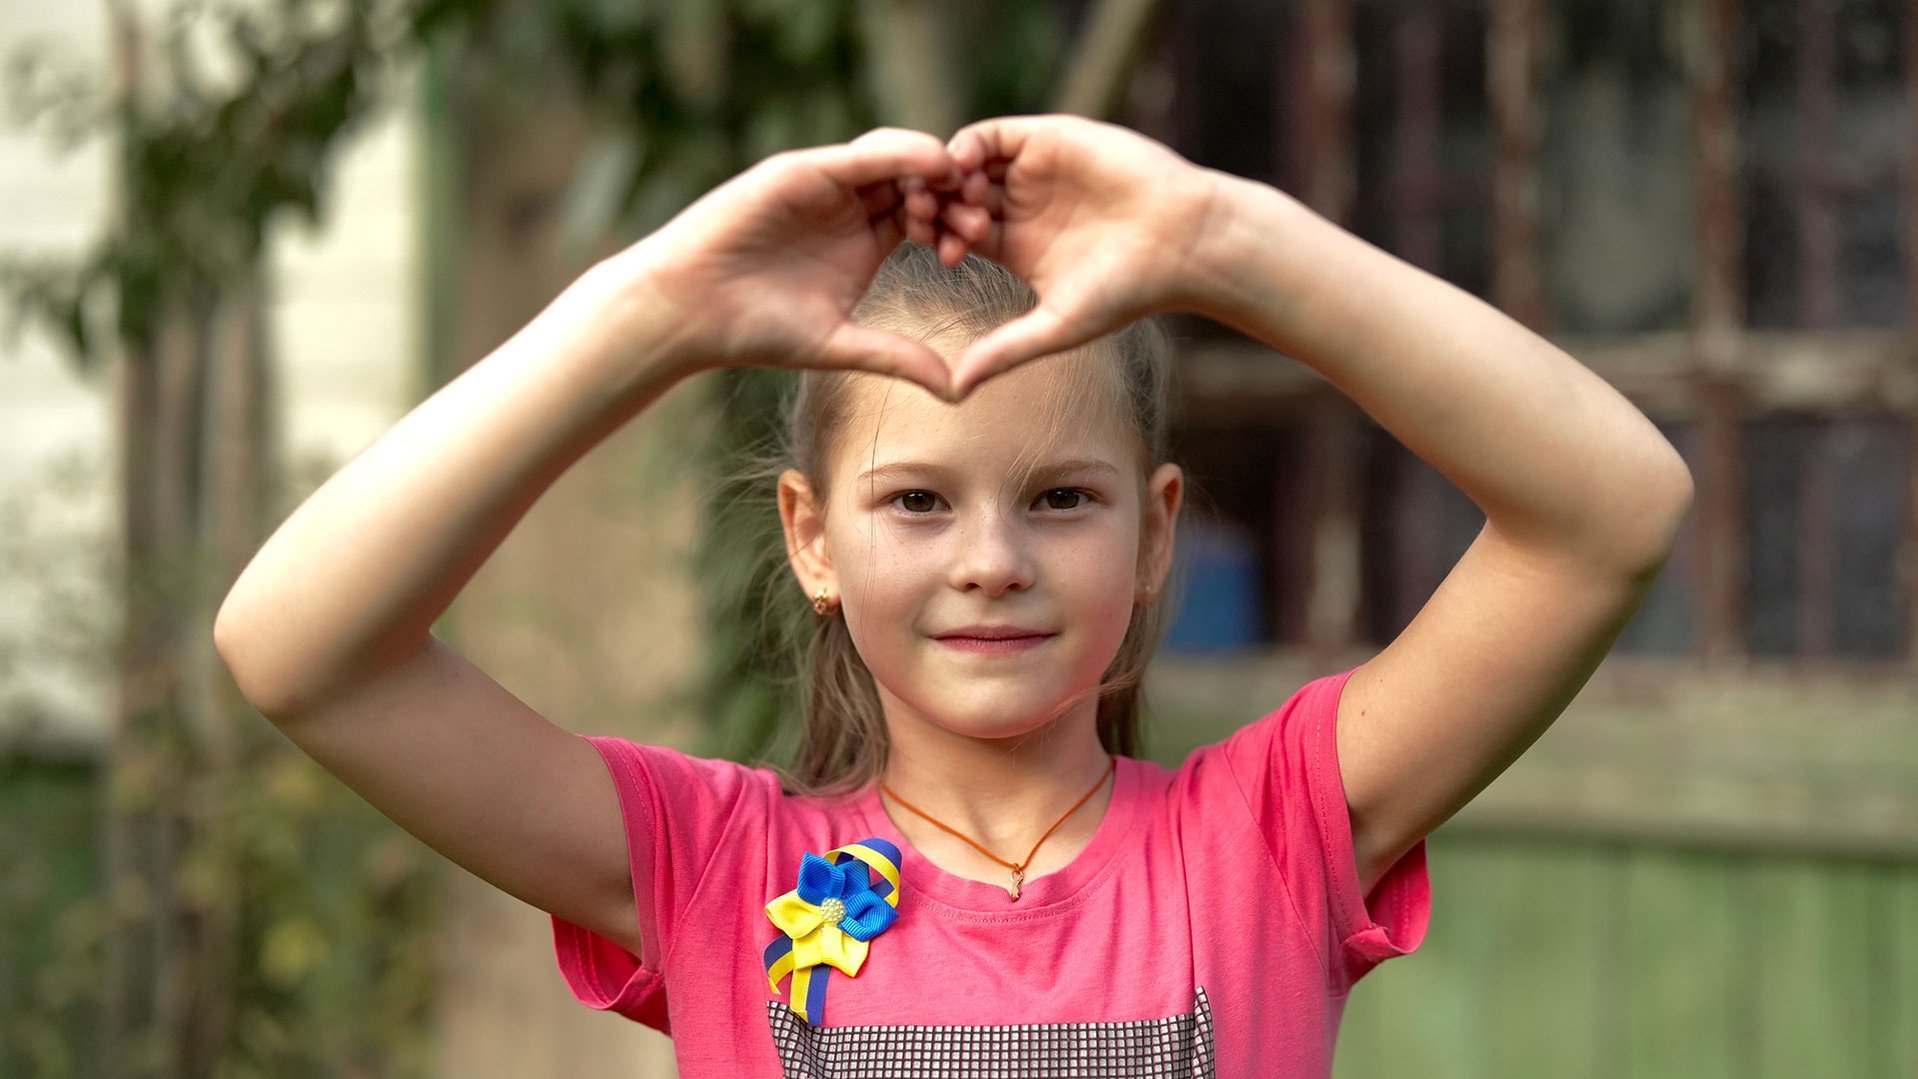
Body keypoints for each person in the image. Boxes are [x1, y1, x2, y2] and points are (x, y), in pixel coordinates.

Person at [214, 116, 1694, 1077]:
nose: (992, 558)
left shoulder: (1274, 835)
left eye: (1061, 498)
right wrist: (651, 312)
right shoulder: (716, 874)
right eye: (916, 501)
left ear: (1155, 529)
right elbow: (299, 649)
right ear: (809, 538)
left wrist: (1223, 245)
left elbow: (1609, 509)